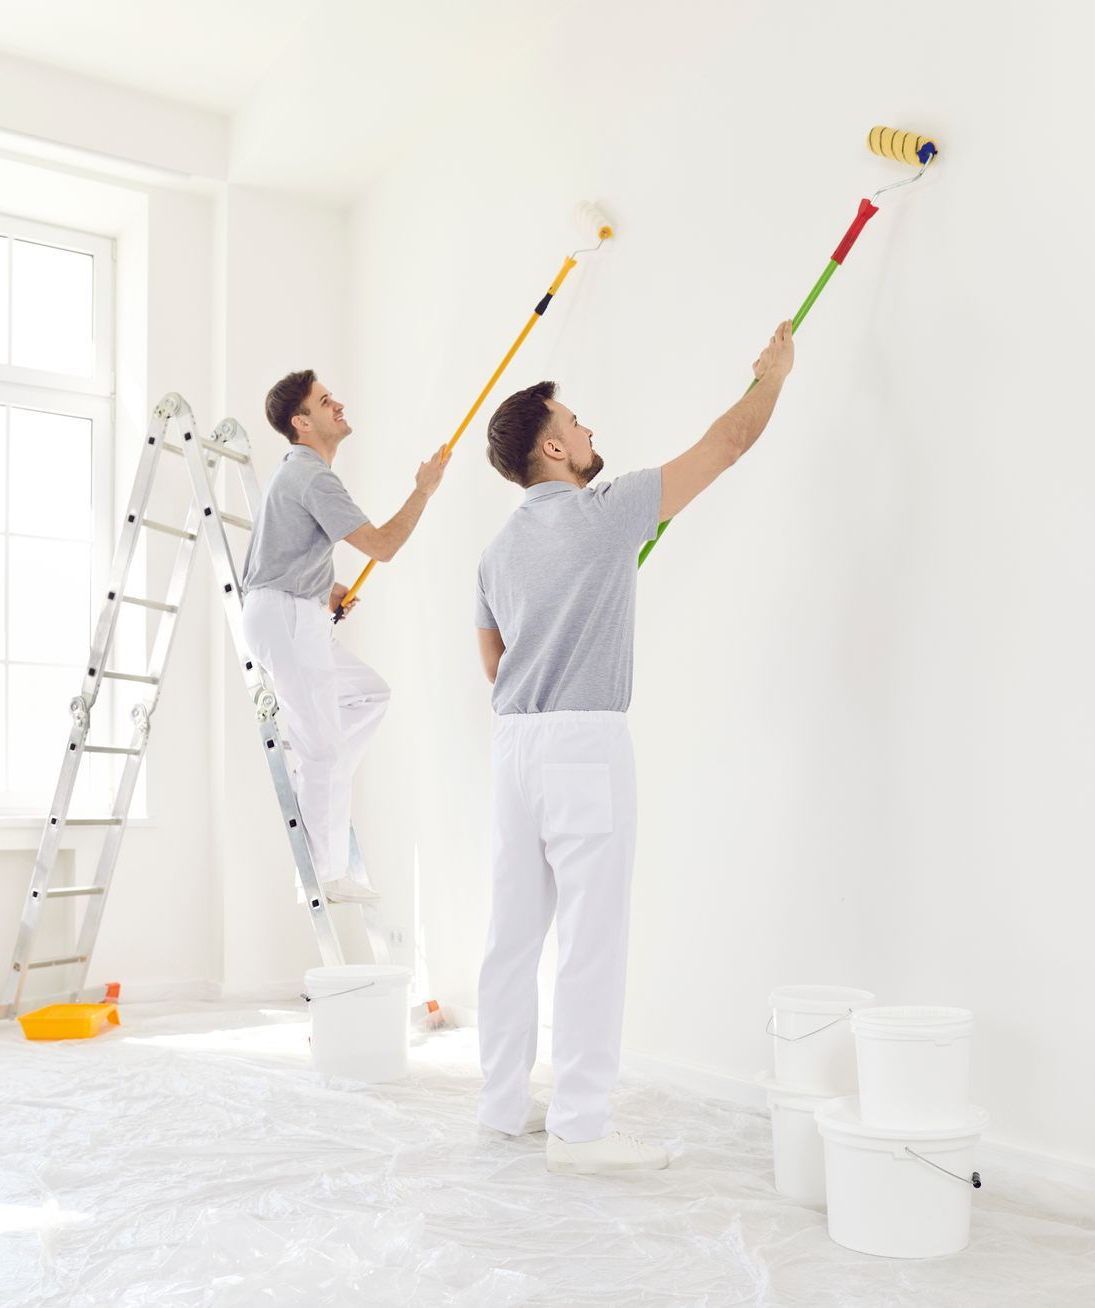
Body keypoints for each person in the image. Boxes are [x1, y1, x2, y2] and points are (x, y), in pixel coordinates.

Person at [472, 321, 796, 1172]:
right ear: (551, 445)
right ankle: (579, 1130)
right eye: (575, 423)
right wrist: (774, 373)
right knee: (591, 938)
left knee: (512, 934)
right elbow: (728, 443)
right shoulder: (604, 514)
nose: (588, 432)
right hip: (584, 744)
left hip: (514, 749)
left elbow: (494, 661)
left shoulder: (496, 551)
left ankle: (502, 1106)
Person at [240, 369, 448, 903]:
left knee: (368, 697)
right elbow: (382, 546)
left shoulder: (298, 474)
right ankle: (325, 875)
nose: (339, 405)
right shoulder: (311, 475)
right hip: (286, 616)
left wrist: (325, 587)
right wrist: (423, 490)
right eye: (326, 401)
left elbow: (279, 553)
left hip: (294, 610)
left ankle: (319, 774)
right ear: (301, 422)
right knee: (323, 749)